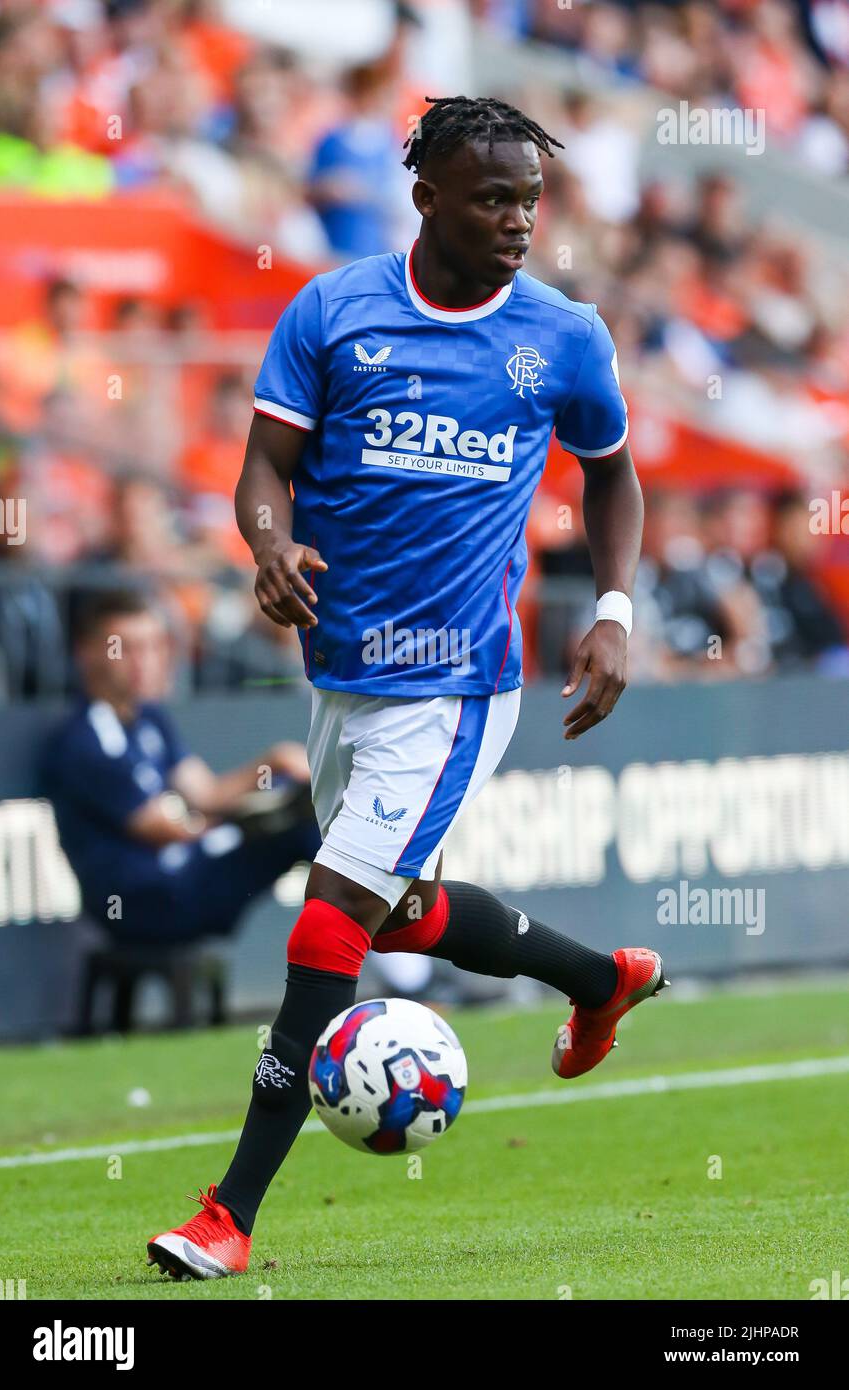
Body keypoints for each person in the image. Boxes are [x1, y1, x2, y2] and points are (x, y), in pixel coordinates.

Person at [147, 95, 667, 1281]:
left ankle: (228, 1212)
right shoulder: (333, 311)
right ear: (426, 193)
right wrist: (269, 548)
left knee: (331, 918)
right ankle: (602, 979)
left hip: (458, 685)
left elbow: (613, 481)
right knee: (407, 906)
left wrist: (611, 610)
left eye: (531, 200)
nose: (520, 221)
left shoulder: (564, 337)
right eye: (494, 197)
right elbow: (263, 469)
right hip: (343, 674)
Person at [43, 589, 319, 948]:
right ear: (87, 653)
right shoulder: (85, 740)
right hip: (142, 901)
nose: (144, 661)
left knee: (307, 820)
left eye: (154, 646)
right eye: (127, 648)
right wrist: (260, 818)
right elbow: (167, 830)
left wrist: (274, 762)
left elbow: (206, 795)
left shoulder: (150, 719)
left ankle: (379, 944)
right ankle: (383, 948)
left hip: (183, 877)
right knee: (300, 828)